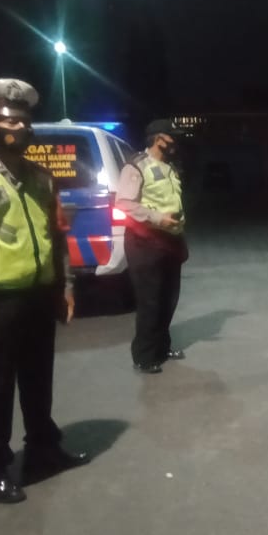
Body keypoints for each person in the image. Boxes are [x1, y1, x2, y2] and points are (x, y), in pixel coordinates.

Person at [0, 78, 88, 504]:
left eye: (24, 121)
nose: (19, 128)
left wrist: (66, 285)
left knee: (38, 378)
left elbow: (56, 236)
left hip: (39, 295)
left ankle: (44, 451)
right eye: (8, 121)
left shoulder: (41, 178)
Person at [117, 119, 188, 374]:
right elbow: (124, 203)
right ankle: (144, 356)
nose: (175, 142)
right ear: (159, 139)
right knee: (150, 300)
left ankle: (162, 347)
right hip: (145, 242)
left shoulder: (170, 167)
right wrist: (158, 219)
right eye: (172, 137)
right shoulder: (136, 166)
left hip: (170, 241)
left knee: (169, 298)